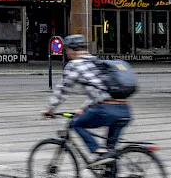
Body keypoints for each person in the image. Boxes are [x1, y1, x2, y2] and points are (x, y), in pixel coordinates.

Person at [42, 34, 131, 168]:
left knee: (75, 124)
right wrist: (84, 109)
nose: (66, 53)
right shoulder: (96, 61)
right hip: (124, 109)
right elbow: (99, 89)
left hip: (106, 109)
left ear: (72, 49)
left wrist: (50, 109)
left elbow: (62, 91)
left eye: (66, 50)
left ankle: (96, 149)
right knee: (111, 152)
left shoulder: (75, 64)